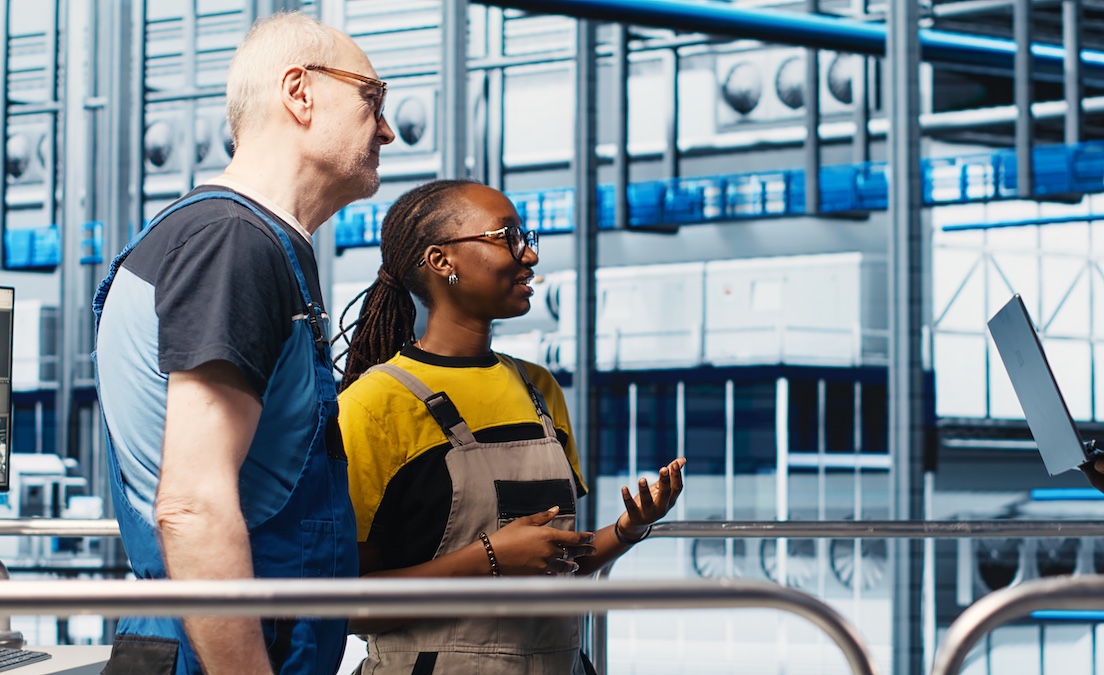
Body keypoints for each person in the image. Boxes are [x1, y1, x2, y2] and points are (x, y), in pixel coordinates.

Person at [93, 11, 394, 675]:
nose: (388, 128)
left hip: (210, 639)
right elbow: (193, 505)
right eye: (372, 99)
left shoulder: (230, 238)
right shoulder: (234, 245)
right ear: (299, 92)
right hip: (222, 651)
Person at [336, 179, 687, 674]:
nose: (529, 255)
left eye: (527, 237)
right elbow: (347, 606)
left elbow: (561, 561)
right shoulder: (374, 405)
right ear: (442, 262)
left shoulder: (540, 389)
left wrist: (629, 529)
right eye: (506, 236)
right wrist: (488, 559)